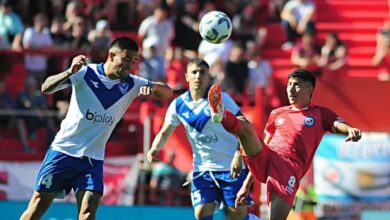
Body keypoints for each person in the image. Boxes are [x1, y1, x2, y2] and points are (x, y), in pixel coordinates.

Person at [20, 36, 173, 220]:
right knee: (37, 207)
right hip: (63, 151)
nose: (129, 66)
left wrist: (154, 89)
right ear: (111, 55)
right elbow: (46, 87)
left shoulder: (132, 83)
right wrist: (69, 71)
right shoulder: (85, 73)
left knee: (88, 211)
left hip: (92, 159)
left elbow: (167, 92)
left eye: (133, 61)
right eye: (126, 59)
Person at [207, 69, 362, 219]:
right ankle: (221, 114)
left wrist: (350, 130)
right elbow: (265, 143)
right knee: (245, 125)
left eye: (297, 85)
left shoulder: (320, 114)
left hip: (288, 167)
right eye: (289, 84)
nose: (291, 89)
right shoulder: (277, 113)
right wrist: (246, 186)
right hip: (267, 156)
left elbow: (337, 124)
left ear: (310, 90)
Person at [147, 58, 255, 220]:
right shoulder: (178, 105)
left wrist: (238, 155)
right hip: (202, 169)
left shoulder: (221, 99)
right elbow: (164, 132)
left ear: (208, 76)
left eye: (202, 72)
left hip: (230, 167)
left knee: (236, 216)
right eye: (194, 72)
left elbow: (244, 126)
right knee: (201, 212)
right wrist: (154, 148)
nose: (198, 76)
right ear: (187, 76)